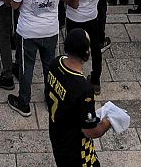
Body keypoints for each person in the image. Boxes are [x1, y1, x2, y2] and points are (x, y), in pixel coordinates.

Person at [45, 27, 115, 167]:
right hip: (76, 150)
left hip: (57, 136)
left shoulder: (55, 63)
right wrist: (107, 123)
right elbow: (90, 131)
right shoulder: (84, 89)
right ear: (87, 53)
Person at [8, 0, 68, 117]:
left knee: (26, 67)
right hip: (50, 31)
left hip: (27, 32)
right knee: (49, 67)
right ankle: (51, 100)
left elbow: (14, 4)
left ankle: (24, 102)